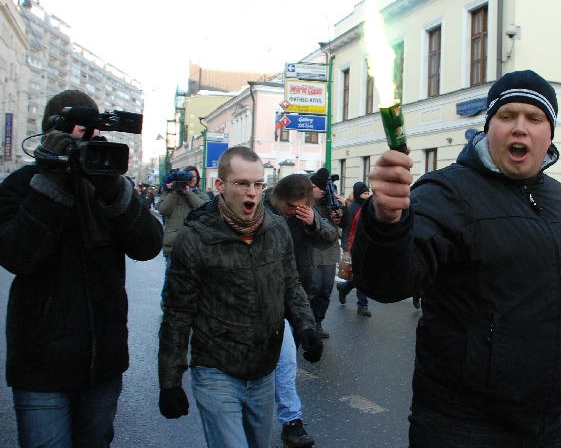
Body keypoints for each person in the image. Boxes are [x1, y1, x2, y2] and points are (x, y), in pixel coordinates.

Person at [351, 70, 561, 445]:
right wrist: (386, 221)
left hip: (549, 421)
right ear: (488, 128)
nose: (520, 127)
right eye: (506, 116)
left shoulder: (559, 198)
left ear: (549, 134)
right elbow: (387, 284)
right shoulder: (446, 191)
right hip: (463, 425)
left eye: (534, 118)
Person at [0, 89, 164, 447]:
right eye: (72, 135)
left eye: (88, 135)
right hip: (39, 366)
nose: (80, 145)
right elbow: (17, 256)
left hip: (101, 364)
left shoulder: (105, 185)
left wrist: (111, 186)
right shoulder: (21, 186)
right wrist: (52, 179)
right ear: (49, 133)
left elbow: (148, 245)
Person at [158, 146, 323, 448]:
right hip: (216, 369)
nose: (252, 192)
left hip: (263, 370)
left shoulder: (276, 229)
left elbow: (290, 284)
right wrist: (170, 381)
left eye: (258, 184)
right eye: (242, 183)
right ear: (220, 185)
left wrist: (306, 326)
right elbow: (177, 313)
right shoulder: (195, 238)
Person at [267, 174, 338, 447]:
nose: (294, 211)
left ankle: (291, 422)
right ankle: (272, 418)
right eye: (291, 206)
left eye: (301, 205)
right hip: (266, 298)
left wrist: (313, 222)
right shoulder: (262, 210)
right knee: (270, 365)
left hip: (296, 295)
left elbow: (330, 237)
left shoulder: (305, 213)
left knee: (286, 362)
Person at [156, 165, 209, 301]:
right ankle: (167, 302)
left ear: (198, 179)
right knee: (171, 277)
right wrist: (174, 192)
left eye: (193, 177)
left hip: (195, 244)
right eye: (188, 176)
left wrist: (188, 194)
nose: (191, 179)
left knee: (192, 278)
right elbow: (163, 210)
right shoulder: (171, 193)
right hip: (173, 243)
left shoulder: (200, 195)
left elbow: (205, 210)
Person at [308, 168, 347, 334]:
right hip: (312, 254)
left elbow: (344, 224)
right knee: (314, 288)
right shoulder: (307, 203)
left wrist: (343, 209)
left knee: (326, 290)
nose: (321, 192)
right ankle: (307, 324)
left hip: (330, 253)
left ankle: (318, 322)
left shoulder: (331, 201)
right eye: (317, 188)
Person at [337, 182, 373, 314]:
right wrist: (346, 249)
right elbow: (347, 230)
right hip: (355, 247)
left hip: (368, 246)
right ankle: (362, 305)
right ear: (358, 194)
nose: (366, 196)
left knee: (363, 275)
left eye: (368, 193)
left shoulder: (369, 207)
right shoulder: (352, 209)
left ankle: (344, 288)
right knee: (361, 275)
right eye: (364, 194)